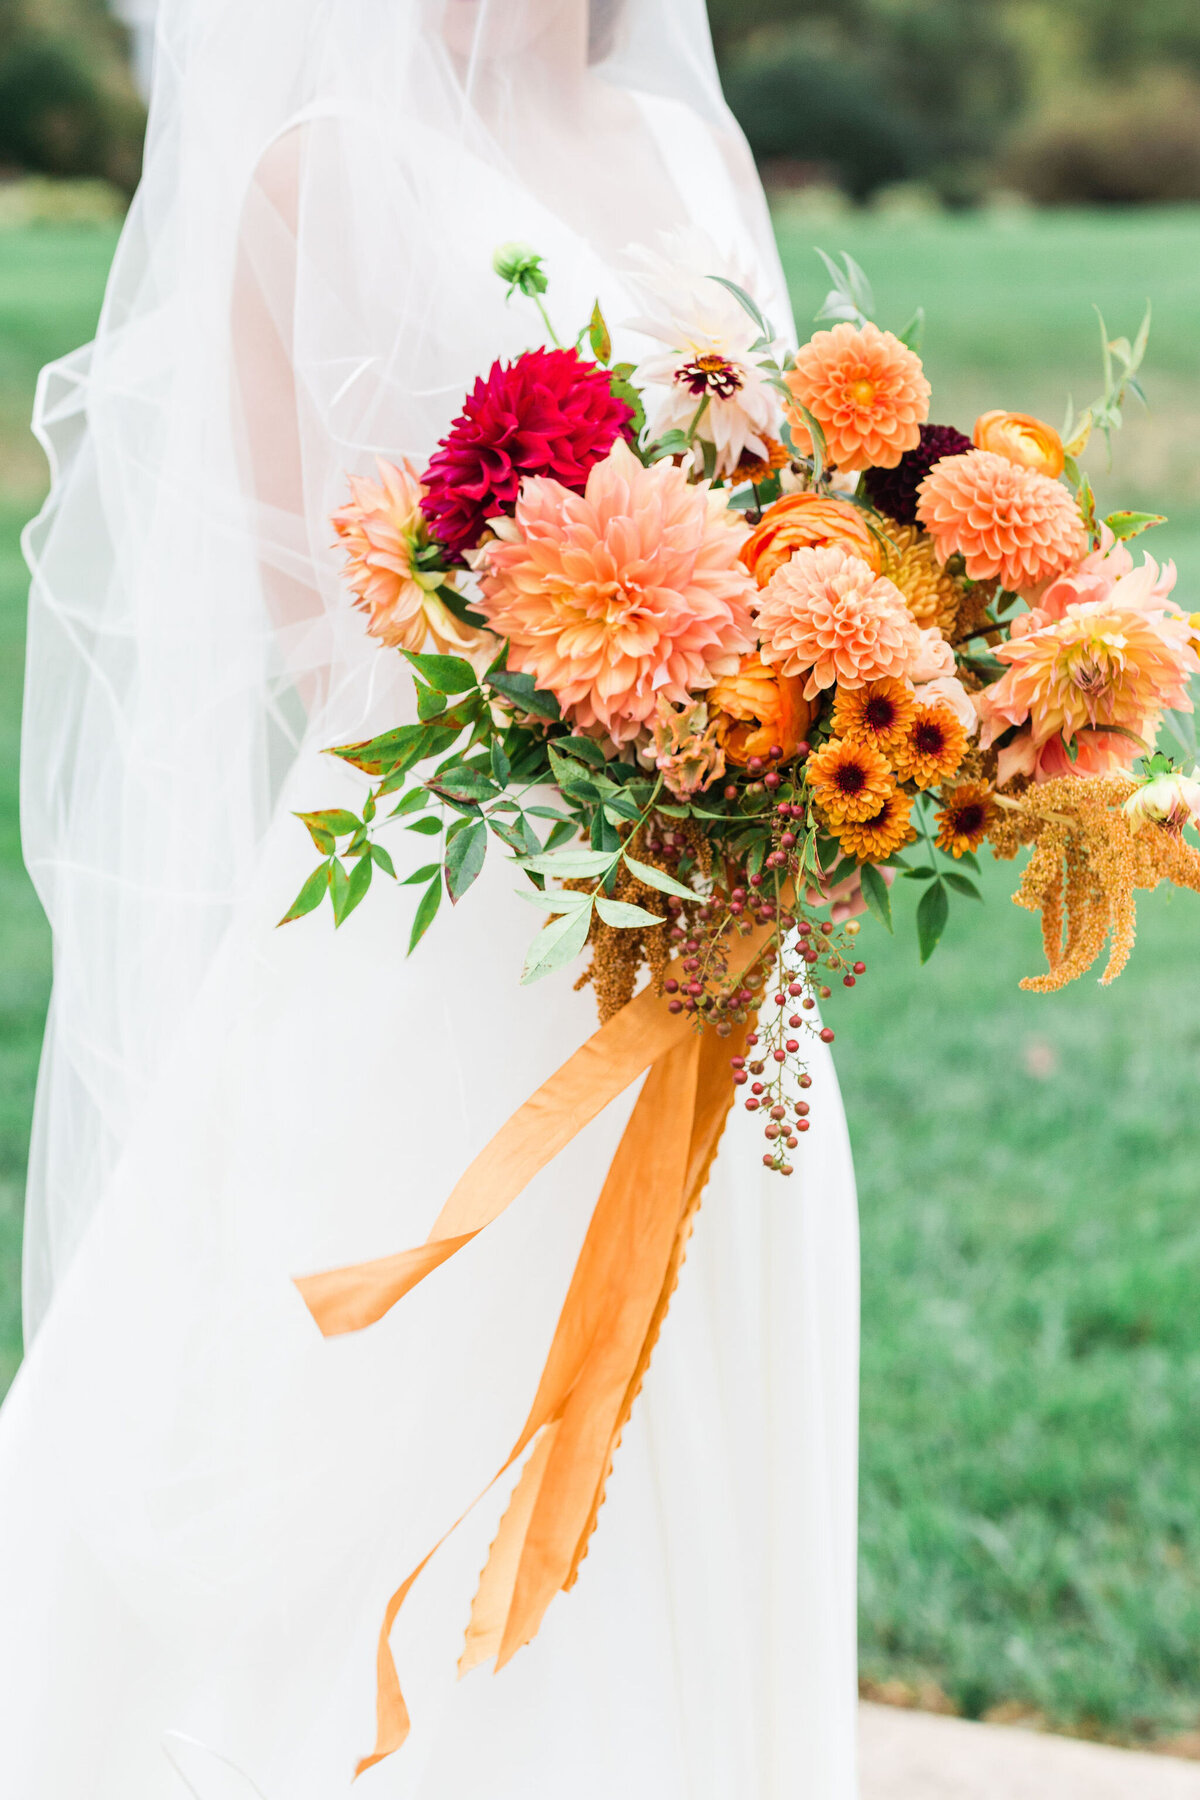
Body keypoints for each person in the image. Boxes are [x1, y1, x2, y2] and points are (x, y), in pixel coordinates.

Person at [2, 3, 861, 1794]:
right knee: (404, 1420)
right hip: (454, 914)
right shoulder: (320, 172)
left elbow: (797, 512)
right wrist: (583, 705)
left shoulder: (697, 153)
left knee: (700, 1403)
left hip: (719, 914)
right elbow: (325, 624)